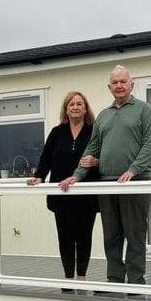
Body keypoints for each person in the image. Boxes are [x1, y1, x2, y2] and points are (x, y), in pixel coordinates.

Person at [58, 65, 151, 287]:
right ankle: (114, 280)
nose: (119, 86)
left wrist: (133, 169)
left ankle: (135, 282)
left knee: (135, 235)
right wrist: (76, 176)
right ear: (109, 87)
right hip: (107, 183)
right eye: (115, 82)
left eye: (123, 81)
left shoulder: (144, 110)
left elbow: (150, 145)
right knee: (111, 235)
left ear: (132, 84)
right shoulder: (103, 116)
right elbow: (91, 149)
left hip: (135, 182)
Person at [27, 91, 99, 289]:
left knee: (84, 236)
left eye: (79, 104)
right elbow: (46, 160)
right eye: (71, 104)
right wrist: (38, 176)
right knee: (65, 236)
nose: (75, 107)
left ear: (85, 109)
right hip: (62, 194)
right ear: (66, 109)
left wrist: (96, 162)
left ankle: (81, 277)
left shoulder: (94, 132)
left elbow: (102, 158)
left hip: (86, 196)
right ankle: (68, 277)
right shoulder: (57, 132)